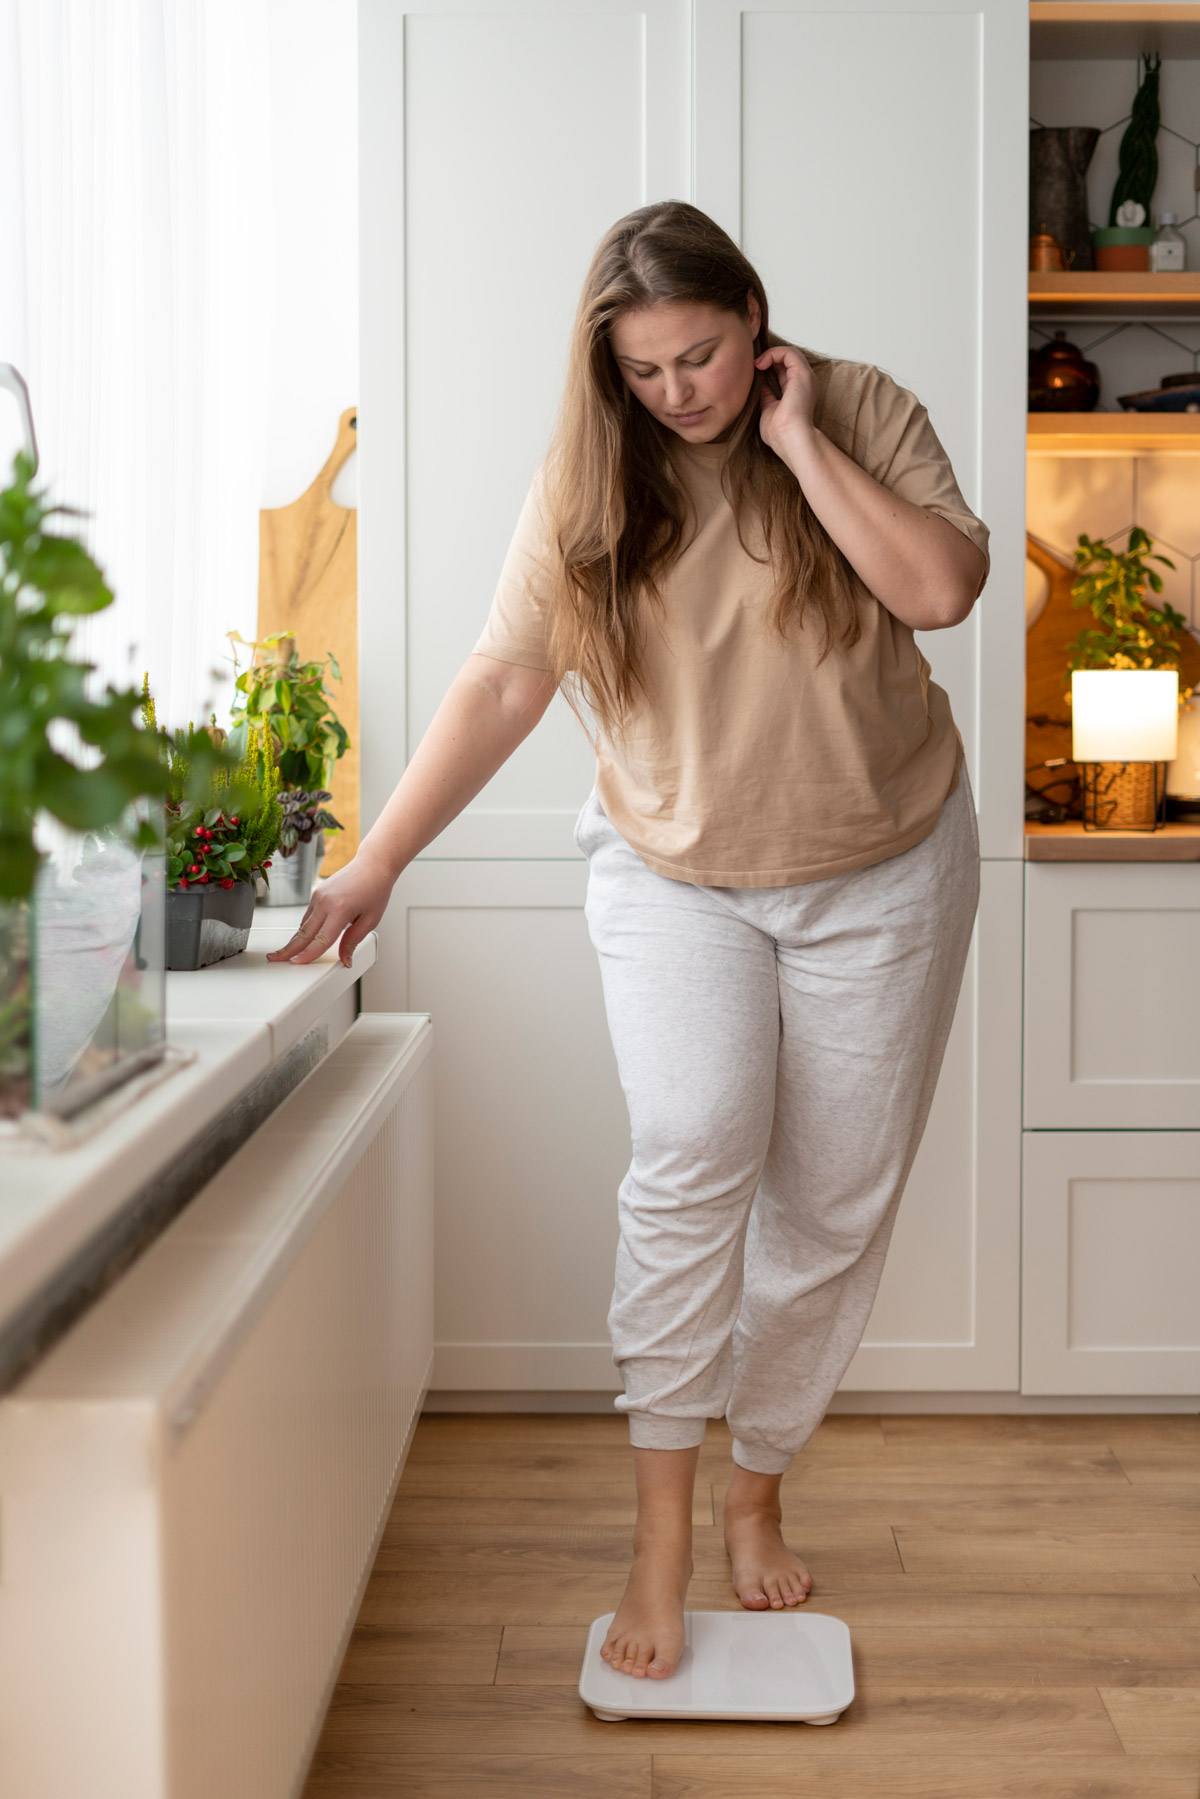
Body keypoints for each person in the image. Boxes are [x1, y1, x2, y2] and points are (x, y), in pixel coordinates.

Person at [268, 200, 990, 1685]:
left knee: (832, 1206)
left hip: (886, 865)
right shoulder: (591, 474)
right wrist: (380, 858)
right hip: (678, 873)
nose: (681, 393)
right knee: (690, 1152)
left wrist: (797, 444)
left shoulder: (856, 409)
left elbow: (940, 590)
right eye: (646, 368)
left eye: (705, 356)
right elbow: (505, 682)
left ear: (754, 321)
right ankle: (658, 1536)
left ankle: (757, 1485)